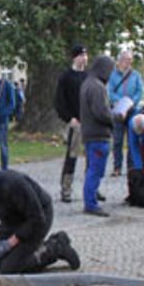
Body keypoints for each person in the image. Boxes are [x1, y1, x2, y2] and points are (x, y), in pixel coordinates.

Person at [0, 162, 80, 274]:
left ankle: (56, 247)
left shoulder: (12, 183)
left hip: (38, 217)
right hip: (11, 220)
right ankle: (28, 250)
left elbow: (37, 218)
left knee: (9, 268)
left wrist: (12, 241)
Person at [80, 55, 116, 217]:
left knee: (91, 169)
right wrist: (115, 116)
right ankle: (90, 203)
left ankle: (91, 198)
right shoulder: (97, 87)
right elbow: (101, 113)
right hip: (98, 134)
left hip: (89, 133)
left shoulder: (87, 83)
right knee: (95, 170)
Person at [54, 43, 88, 203]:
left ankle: (91, 188)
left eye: (86, 55)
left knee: (92, 156)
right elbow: (59, 102)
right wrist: (69, 118)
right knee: (72, 156)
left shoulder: (89, 76)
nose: (84, 58)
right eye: (81, 55)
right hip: (75, 122)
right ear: (75, 57)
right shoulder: (66, 77)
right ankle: (66, 188)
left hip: (90, 122)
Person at [107, 49, 144, 177]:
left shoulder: (136, 75)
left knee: (132, 139)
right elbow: (110, 91)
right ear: (120, 61)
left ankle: (131, 167)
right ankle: (117, 167)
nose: (128, 62)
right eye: (126, 59)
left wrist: (130, 102)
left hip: (132, 110)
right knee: (117, 140)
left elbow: (139, 91)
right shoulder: (113, 75)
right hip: (117, 111)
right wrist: (119, 101)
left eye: (130, 60)